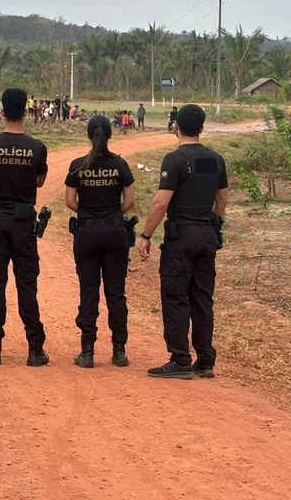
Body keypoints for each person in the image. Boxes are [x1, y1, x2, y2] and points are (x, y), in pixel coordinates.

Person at [138, 104, 228, 379]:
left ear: (176, 125)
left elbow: (160, 203)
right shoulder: (216, 159)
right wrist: (213, 222)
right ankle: (205, 359)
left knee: (175, 295)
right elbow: (222, 199)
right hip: (207, 234)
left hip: (181, 237)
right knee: (202, 296)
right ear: (202, 127)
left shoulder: (175, 160)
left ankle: (180, 359)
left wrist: (146, 235)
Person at [0, 88, 49, 366]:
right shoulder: (37, 147)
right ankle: (35, 349)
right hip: (23, 222)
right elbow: (40, 181)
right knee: (26, 284)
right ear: (26, 111)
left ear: (3, 111)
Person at [65, 115, 135, 368]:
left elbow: (70, 201)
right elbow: (129, 201)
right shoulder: (120, 165)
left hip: (87, 233)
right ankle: (119, 351)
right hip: (116, 232)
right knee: (116, 292)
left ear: (88, 135)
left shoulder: (77, 165)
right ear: (110, 135)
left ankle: (87, 352)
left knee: (89, 291)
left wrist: (89, 211)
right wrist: (112, 212)